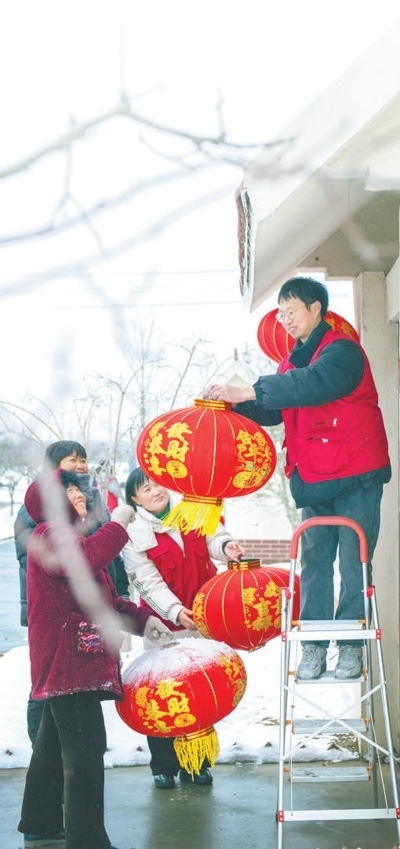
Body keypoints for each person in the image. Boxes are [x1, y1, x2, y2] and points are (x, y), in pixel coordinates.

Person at [206, 276, 391, 681]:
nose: (286, 320)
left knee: (354, 562)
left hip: (357, 474)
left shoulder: (343, 351)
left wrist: (249, 390)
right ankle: (313, 646)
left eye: (291, 311)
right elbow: (276, 409)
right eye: (281, 314)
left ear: (315, 309)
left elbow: (315, 384)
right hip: (313, 476)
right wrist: (232, 406)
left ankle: (350, 645)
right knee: (314, 563)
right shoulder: (288, 365)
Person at [17, 468, 169, 849]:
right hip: (69, 664)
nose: (79, 495)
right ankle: (87, 841)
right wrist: (118, 524)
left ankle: (40, 821)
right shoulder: (49, 534)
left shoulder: (73, 539)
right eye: (69, 490)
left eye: (79, 489)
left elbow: (109, 601)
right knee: (85, 751)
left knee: (53, 745)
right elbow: (85, 559)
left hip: (70, 662)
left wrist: (145, 621)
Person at [122, 467, 245, 789]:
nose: (155, 491)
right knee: (164, 695)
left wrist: (227, 547)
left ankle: (197, 765)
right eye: (146, 489)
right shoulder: (133, 533)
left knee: (201, 692)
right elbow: (145, 580)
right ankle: (163, 765)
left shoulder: (192, 510)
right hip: (163, 626)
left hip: (204, 621)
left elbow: (215, 537)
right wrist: (175, 611)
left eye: (157, 484)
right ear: (135, 499)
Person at [14, 440, 129, 746]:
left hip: (88, 607)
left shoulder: (90, 500)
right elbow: (54, 559)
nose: (80, 465)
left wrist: (119, 595)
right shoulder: (39, 508)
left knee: (70, 691)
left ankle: (51, 755)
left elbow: (109, 555)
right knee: (50, 687)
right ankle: (43, 745)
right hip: (56, 610)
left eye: (83, 459)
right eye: (72, 460)